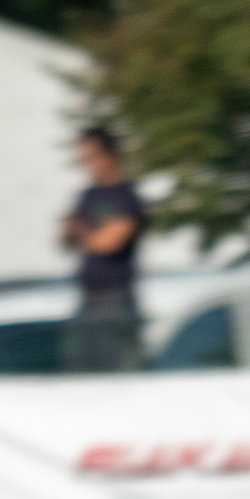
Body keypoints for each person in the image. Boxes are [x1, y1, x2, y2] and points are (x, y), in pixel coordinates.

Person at [60, 125, 146, 374]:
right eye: (83, 159)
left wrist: (83, 233)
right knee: (82, 370)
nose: (87, 165)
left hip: (116, 298)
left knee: (117, 372)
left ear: (110, 156)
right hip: (88, 296)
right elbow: (66, 239)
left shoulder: (126, 196)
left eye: (91, 157)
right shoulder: (87, 196)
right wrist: (83, 234)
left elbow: (112, 242)